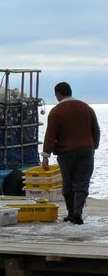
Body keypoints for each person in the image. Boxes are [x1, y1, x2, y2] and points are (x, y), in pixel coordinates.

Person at [42, 81, 100, 224]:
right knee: (82, 183)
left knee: (68, 184)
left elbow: (50, 135)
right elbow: (96, 129)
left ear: (58, 94)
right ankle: (78, 213)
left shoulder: (56, 111)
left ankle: (71, 213)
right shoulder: (86, 108)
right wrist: (94, 145)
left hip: (66, 152)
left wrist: (45, 156)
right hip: (86, 150)